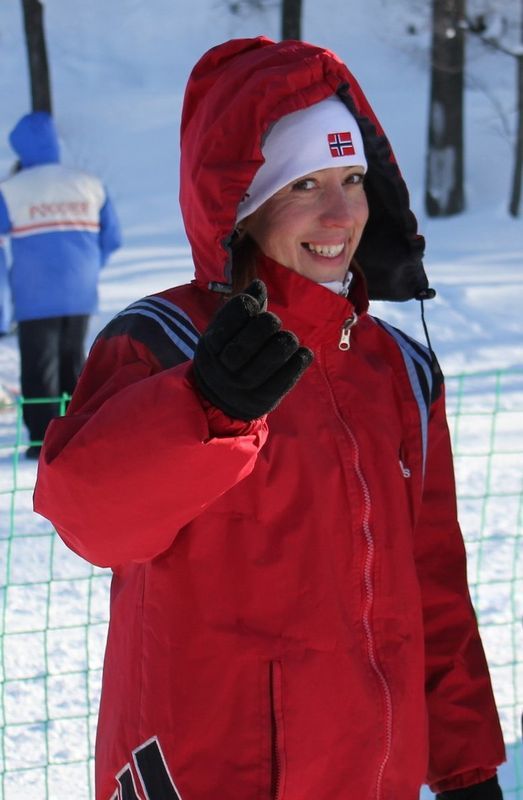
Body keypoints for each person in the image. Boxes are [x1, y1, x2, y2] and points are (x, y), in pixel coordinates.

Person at [34, 37, 505, 800]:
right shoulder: (164, 341)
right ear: (244, 206)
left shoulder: (400, 369)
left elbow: (434, 586)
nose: (339, 213)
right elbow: (88, 517)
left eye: (352, 180)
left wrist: (465, 764)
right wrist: (203, 407)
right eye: (303, 184)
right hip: (206, 772)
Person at [0, 111, 122, 458]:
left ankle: (42, 441)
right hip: (81, 293)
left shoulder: (10, 190)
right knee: (74, 364)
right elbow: (112, 239)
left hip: (34, 295)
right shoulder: (89, 183)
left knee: (39, 369)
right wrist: (88, 268)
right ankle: (77, 434)